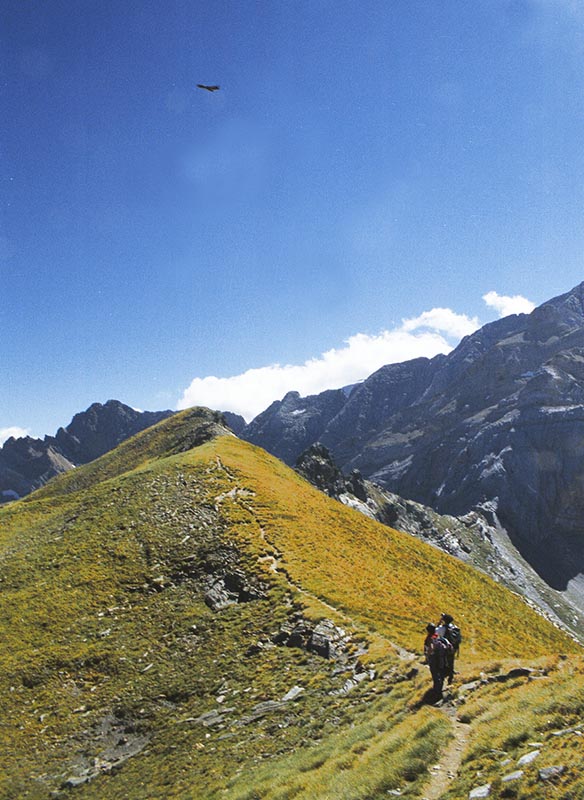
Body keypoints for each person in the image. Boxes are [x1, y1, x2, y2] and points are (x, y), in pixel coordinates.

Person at [436, 612, 460, 685]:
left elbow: (435, 632)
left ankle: (443, 677)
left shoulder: (441, 628)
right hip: (454, 647)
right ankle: (451, 677)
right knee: (451, 661)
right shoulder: (454, 627)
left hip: (445, 648)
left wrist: (439, 622)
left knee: (443, 662)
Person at [424, 623, 447, 697]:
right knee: (440, 671)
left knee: (434, 673)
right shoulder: (437, 636)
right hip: (440, 656)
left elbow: (431, 647)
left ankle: (437, 690)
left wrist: (428, 655)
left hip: (433, 657)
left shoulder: (429, 638)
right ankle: (440, 686)